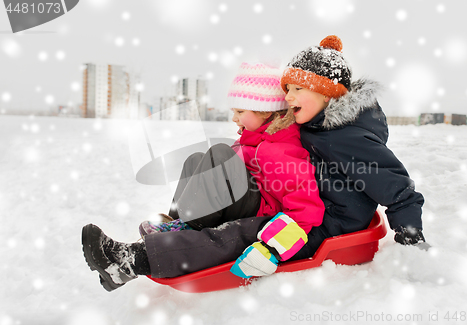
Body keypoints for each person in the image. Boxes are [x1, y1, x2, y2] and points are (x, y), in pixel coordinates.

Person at [82, 62, 325, 291]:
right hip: (248, 200)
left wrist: (274, 244)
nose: (234, 118)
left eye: (240, 111)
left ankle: (187, 227)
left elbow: (306, 207)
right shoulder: (257, 140)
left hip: (262, 214)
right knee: (196, 160)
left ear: (265, 113)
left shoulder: (281, 149)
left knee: (219, 155)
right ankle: (175, 221)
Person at [279, 35, 428, 261]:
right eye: (287, 88)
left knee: (254, 239)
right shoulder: (314, 127)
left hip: (330, 225)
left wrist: (411, 238)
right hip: (308, 213)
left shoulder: (346, 137)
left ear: (327, 93)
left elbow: (397, 189)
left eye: (298, 88)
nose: (288, 97)